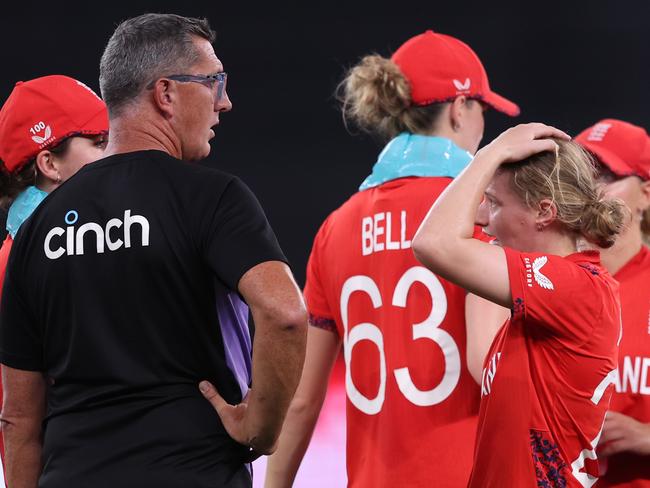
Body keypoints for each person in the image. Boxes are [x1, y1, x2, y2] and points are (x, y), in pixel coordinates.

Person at [0, 13, 306, 488]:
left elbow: (19, 418)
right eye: (213, 82)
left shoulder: (37, 230)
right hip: (192, 471)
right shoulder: (212, 197)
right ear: (165, 93)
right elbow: (285, 312)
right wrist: (260, 429)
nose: (224, 102)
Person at [264, 30, 520, 488]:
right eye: (483, 108)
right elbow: (500, 373)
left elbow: (302, 400)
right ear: (461, 108)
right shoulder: (485, 216)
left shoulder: (336, 227)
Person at [412, 123, 625, 487]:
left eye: (493, 203)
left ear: (544, 211)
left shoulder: (575, 288)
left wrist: (489, 154)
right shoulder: (546, 303)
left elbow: (433, 243)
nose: (480, 219)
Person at [0, 73, 108, 488]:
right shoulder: (19, 259)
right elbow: (18, 418)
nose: (114, 152)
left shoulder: (89, 240)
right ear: (49, 165)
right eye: (99, 143)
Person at [575, 119, 650, 487]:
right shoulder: (547, 281)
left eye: (608, 176)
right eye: (585, 178)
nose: (593, 192)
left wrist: (646, 437)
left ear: (646, 195)